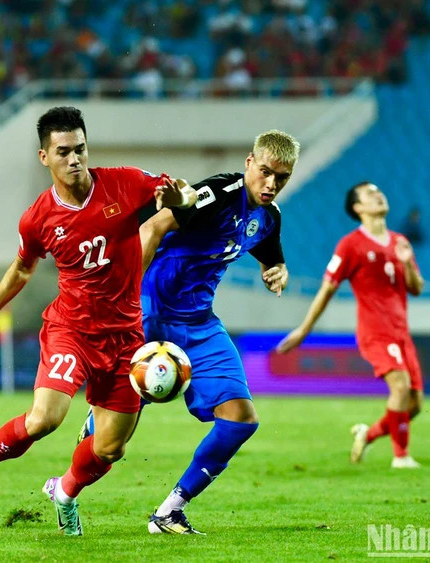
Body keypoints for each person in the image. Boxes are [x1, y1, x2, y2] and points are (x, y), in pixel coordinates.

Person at [0, 106, 197, 536]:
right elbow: (23, 268)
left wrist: (178, 198)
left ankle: (65, 493)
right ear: (44, 157)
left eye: (81, 149)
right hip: (72, 330)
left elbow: (187, 197)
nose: (75, 159)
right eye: (64, 151)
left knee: (110, 449)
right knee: (44, 419)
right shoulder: (38, 218)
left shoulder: (126, 182)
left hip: (126, 338)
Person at [79, 130, 299, 534]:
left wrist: (277, 271)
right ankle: (91, 432)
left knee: (240, 420)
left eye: (281, 178)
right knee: (108, 447)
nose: (271, 184)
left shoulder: (270, 217)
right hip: (147, 314)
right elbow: (152, 229)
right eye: (265, 172)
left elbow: (272, 256)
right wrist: (125, 300)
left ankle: (169, 511)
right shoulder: (218, 192)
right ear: (250, 162)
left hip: (198, 323)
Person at [277, 181, 424, 469]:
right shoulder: (351, 245)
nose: (379, 195)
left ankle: (366, 435)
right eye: (370, 194)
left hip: (401, 333)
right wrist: (304, 330)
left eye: (380, 191)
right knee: (400, 387)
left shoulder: (399, 242)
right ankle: (401, 457)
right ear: (358, 208)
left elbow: (416, 288)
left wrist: (407, 263)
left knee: (414, 405)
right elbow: (327, 288)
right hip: (376, 332)